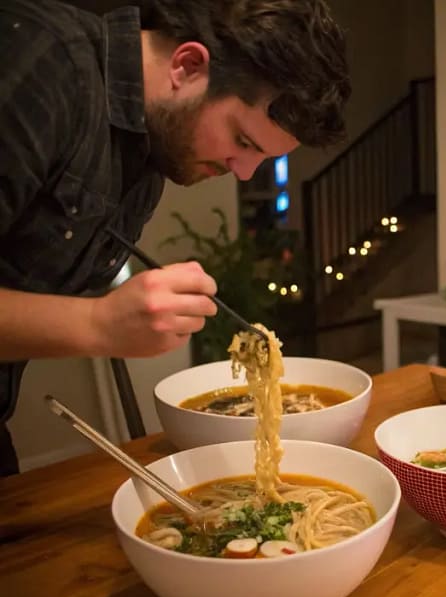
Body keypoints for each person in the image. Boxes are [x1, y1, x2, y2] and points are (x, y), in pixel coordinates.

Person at [0, 0, 351, 475]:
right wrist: (97, 324)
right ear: (187, 66)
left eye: (262, 159)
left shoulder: (147, 159)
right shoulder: (41, 60)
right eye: (244, 141)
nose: (244, 172)